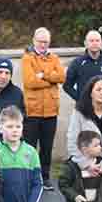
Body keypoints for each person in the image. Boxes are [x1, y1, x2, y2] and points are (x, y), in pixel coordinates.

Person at [21, 28, 66, 184]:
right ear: (34, 40)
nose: (42, 45)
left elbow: (62, 77)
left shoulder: (54, 58)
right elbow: (30, 82)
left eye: (46, 42)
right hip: (32, 111)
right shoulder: (27, 58)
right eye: (40, 41)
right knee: (30, 147)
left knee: (47, 147)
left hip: (51, 111)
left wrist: (43, 75)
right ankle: (29, 177)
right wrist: (51, 80)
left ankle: (45, 177)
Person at [65, 30, 102, 101]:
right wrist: (80, 99)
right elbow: (67, 86)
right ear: (85, 43)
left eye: (97, 41)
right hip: (84, 106)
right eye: (91, 41)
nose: (95, 43)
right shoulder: (77, 63)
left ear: (101, 43)